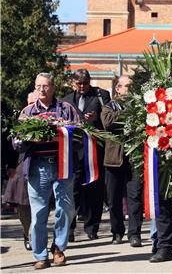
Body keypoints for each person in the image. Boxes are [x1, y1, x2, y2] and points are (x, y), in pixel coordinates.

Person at [13, 73, 79, 270]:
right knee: (39, 212)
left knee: (65, 209)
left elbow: (80, 134)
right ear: (35, 88)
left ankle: (58, 248)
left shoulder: (66, 110)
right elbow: (16, 142)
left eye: (46, 86)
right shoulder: (27, 112)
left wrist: (65, 134)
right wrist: (29, 139)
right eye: (38, 86)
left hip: (63, 164)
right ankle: (40, 254)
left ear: (53, 87)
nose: (42, 89)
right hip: (38, 166)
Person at [63, 68, 110, 241]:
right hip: (73, 152)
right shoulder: (66, 100)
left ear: (89, 82)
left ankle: (92, 227)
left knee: (94, 189)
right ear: (73, 83)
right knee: (72, 190)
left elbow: (107, 118)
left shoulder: (101, 95)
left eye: (85, 83)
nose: (82, 86)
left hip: (94, 151)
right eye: (78, 83)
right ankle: (69, 227)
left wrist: (96, 118)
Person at [101, 75, 144, 246]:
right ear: (117, 89)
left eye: (131, 86)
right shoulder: (108, 106)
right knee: (113, 199)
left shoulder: (141, 106)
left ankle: (135, 234)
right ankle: (117, 231)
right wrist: (129, 113)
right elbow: (108, 123)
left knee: (135, 197)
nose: (128, 90)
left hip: (135, 159)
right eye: (125, 86)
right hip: (113, 159)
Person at [3, 91, 38, 251]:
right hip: (20, 165)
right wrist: (9, 165)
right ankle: (28, 231)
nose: (33, 107)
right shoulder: (19, 119)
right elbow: (8, 143)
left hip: (41, 163)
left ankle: (37, 233)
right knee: (22, 202)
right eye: (31, 103)